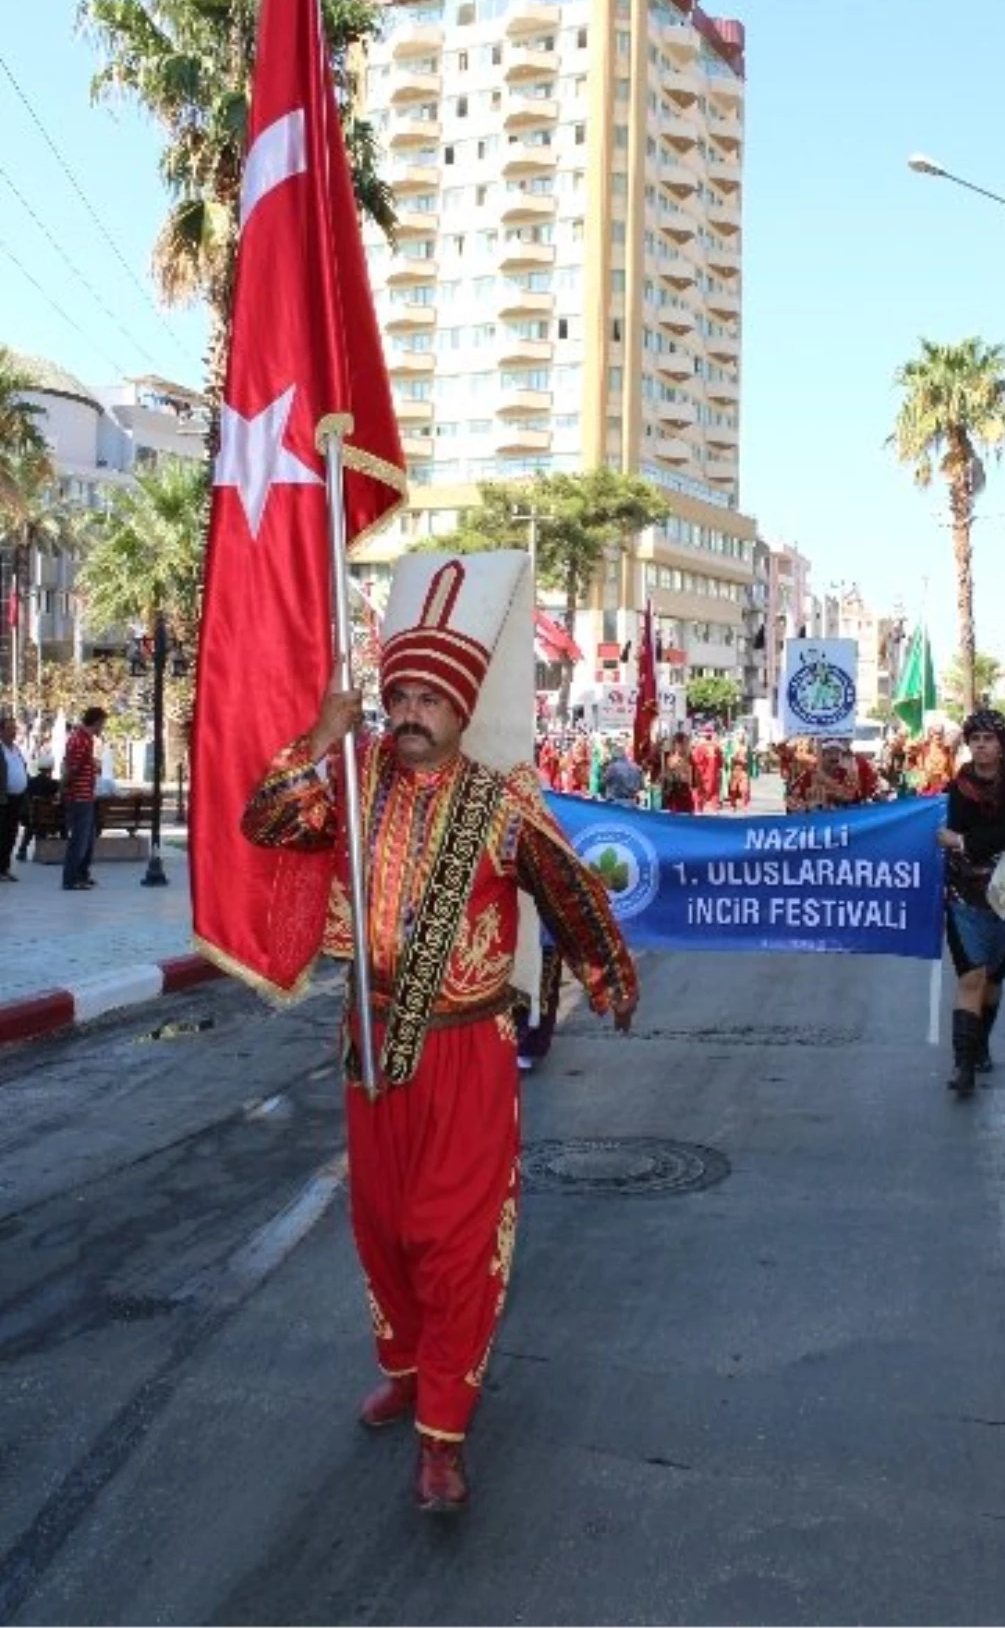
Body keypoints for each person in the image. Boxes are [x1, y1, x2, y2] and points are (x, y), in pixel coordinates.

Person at [241, 552, 637, 1515]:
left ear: (462, 711)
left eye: (430, 697)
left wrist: (606, 971)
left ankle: (444, 1433)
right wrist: (317, 734)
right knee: (382, 1226)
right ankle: (410, 1367)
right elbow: (265, 821)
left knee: (454, 1237)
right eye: (399, 693)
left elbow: (568, 887)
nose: (411, 709)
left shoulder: (499, 801)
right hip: (369, 1043)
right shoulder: (350, 772)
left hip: (466, 1048)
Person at [936, 709, 1005, 1096]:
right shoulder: (955, 789)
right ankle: (963, 1066)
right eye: (974, 739)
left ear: (1001, 745)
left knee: (993, 980)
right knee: (971, 978)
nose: (981, 745)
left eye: (988, 739)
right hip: (965, 895)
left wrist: (963, 841)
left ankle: (980, 1043)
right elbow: (945, 829)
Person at [61, 707, 107, 891]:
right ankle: (71, 879)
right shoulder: (80, 739)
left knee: (88, 838)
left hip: (87, 795)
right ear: (96, 722)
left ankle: (82, 874)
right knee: (79, 839)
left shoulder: (85, 739)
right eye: (102, 723)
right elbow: (72, 767)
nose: (103, 727)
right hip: (79, 797)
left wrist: (92, 766)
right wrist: (64, 788)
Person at [785, 737, 878, 812]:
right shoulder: (808, 775)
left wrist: (826, 783)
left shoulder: (846, 774)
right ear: (821, 755)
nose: (834, 756)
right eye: (829, 752)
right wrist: (806, 807)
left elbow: (850, 796)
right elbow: (791, 799)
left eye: (837, 752)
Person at [0, 714, 30, 881]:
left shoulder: (16, 749)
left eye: (15, 729)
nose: (14, 732)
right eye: (10, 728)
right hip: (3, 800)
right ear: (1, 731)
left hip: (17, 799)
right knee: (2, 835)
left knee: (11, 834)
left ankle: (4, 868)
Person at [15, 750, 59, 863]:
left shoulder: (31, 782)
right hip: (49, 819)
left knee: (32, 822)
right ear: (51, 768)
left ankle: (22, 849)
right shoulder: (53, 784)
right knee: (50, 818)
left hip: (31, 816)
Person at [657, 729, 697, 814]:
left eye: (686, 744)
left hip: (684, 790)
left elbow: (690, 777)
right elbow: (668, 774)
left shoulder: (688, 758)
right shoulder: (671, 759)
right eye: (684, 743)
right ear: (677, 744)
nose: (686, 746)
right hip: (676, 790)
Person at [602, 738, 644, 807]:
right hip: (632, 802)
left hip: (616, 802)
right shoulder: (636, 767)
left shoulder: (613, 767)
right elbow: (642, 786)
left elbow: (604, 781)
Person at [692, 723, 722, 813]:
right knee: (714, 794)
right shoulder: (717, 747)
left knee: (699, 794)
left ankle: (699, 812)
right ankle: (715, 811)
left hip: (702, 775)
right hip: (714, 775)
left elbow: (695, 762)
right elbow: (720, 763)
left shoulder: (699, 748)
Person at [726, 729, 752, 810]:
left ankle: (744, 805)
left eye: (743, 736)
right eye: (740, 736)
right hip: (735, 770)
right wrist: (739, 760)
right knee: (733, 789)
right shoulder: (734, 747)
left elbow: (749, 759)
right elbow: (731, 759)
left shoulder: (747, 747)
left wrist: (746, 763)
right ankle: (733, 805)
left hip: (744, 770)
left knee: (744, 789)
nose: (742, 738)